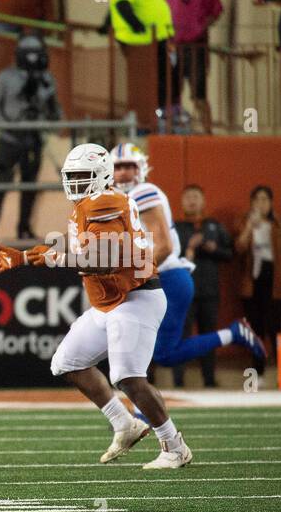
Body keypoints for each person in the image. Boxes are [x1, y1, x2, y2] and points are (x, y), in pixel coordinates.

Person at [0, 143, 192, 469]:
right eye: (73, 176)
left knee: (128, 377)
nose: (77, 182)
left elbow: (101, 260)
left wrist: (49, 259)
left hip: (135, 297)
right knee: (67, 362)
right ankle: (125, 424)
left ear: (103, 175)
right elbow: (78, 246)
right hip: (109, 301)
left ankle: (173, 445)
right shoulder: (86, 205)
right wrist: (25, 256)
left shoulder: (106, 201)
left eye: (84, 175)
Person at [111, 143, 265, 380]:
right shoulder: (123, 199)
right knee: (147, 350)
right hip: (158, 279)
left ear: (140, 167)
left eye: (128, 167)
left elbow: (164, 247)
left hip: (165, 278)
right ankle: (232, 334)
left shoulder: (142, 192)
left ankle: (234, 334)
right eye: (117, 167)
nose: (122, 173)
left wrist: (128, 279)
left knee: (151, 350)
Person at [0, 34, 61, 240]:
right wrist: (6, 126)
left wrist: (48, 101)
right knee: (1, 183)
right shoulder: (6, 77)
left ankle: (24, 227)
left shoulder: (46, 79)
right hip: (9, 140)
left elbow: (55, 112)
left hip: (34, 140)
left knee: (30, 186)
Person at [146, 0, 223, 134]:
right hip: (171, 47)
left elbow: (216, 10)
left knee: (199, 96)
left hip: (196, 48)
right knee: (172, 96)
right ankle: (172, 135)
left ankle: (207, 135)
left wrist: (202, 25)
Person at [173, 184, 236, 387]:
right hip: (183, 292)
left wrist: (213, 249)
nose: (192, 200)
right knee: (181, 337)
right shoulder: (176, 228)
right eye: (188, 196)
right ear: (182, 202)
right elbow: (167, 257)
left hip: (209, 291)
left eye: (196, 196)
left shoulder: (214, 226)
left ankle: (209, 381)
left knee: (209, 335)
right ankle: (178, 382)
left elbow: (230, 254)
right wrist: (188, 251)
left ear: (203, 200)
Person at [105, 0, 175, 129]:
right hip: (141, 41)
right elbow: (121, 3)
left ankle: (155, 120)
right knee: (146, 85)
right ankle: (146, 123)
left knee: (161, 81)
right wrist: (137, 25)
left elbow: (117, 4)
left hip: (152, 39)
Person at [235, 185, 281, 370]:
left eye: (265, 199)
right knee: (255, 328)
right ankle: (257, 373)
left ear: (271, 203)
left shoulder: (280, 225)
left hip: (275, 280)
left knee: (275, 326)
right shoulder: (244, 223)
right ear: (251, 203)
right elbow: (239, 249)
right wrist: (249, 228)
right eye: (257, 199)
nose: (261, 204)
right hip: (253, 280)